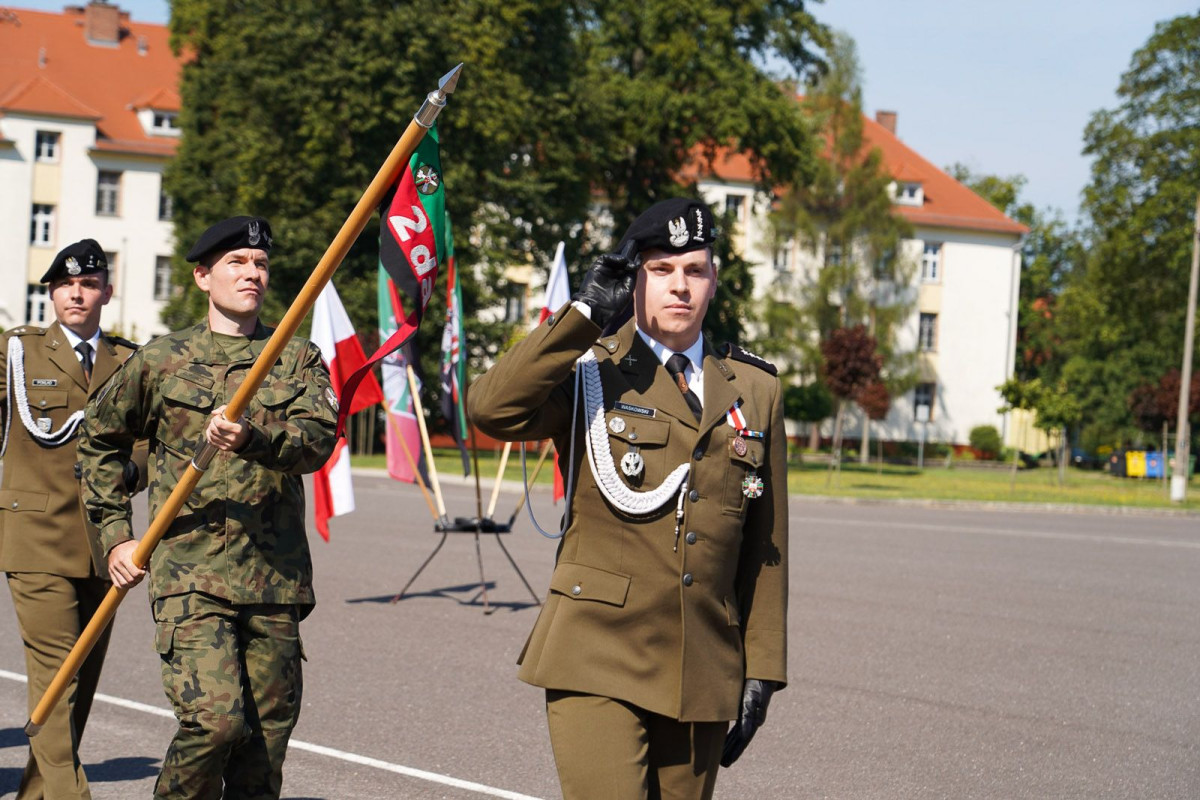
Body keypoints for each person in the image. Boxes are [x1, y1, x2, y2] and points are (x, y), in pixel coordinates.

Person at [469, 197, 789, 799]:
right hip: (597, 649)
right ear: (633, 280)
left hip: (703, 659)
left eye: (694, 271)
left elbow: (766, 544)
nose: (680, 287)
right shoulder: (592, 366)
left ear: (715, 282)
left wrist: (763, 668)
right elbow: (491, 408)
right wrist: (585, 312)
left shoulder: (754, 387)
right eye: (660, 271)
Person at [78, 216, 338, 799]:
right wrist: (116, 535)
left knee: (265, 742)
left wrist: (253, 436)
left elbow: (318, 442)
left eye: (261, 264)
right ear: (202, 276)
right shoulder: (161, 359)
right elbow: (98, 440)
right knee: (214, 724)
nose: (253, 274)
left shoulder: (295, 358)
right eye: (237, 263)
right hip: (189, 574)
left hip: (274, 578)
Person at [0, 239, 145, 800]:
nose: (76, 293)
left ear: (106, 292)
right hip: (34, 536)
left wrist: (127, 477)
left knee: (79, 685)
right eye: (64, 285)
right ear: (52, 294)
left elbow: (147, 444)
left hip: (104, 543)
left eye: (87, 284)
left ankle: (38, 794)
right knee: (56, 677)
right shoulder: (17, 352)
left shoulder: (130, 360)